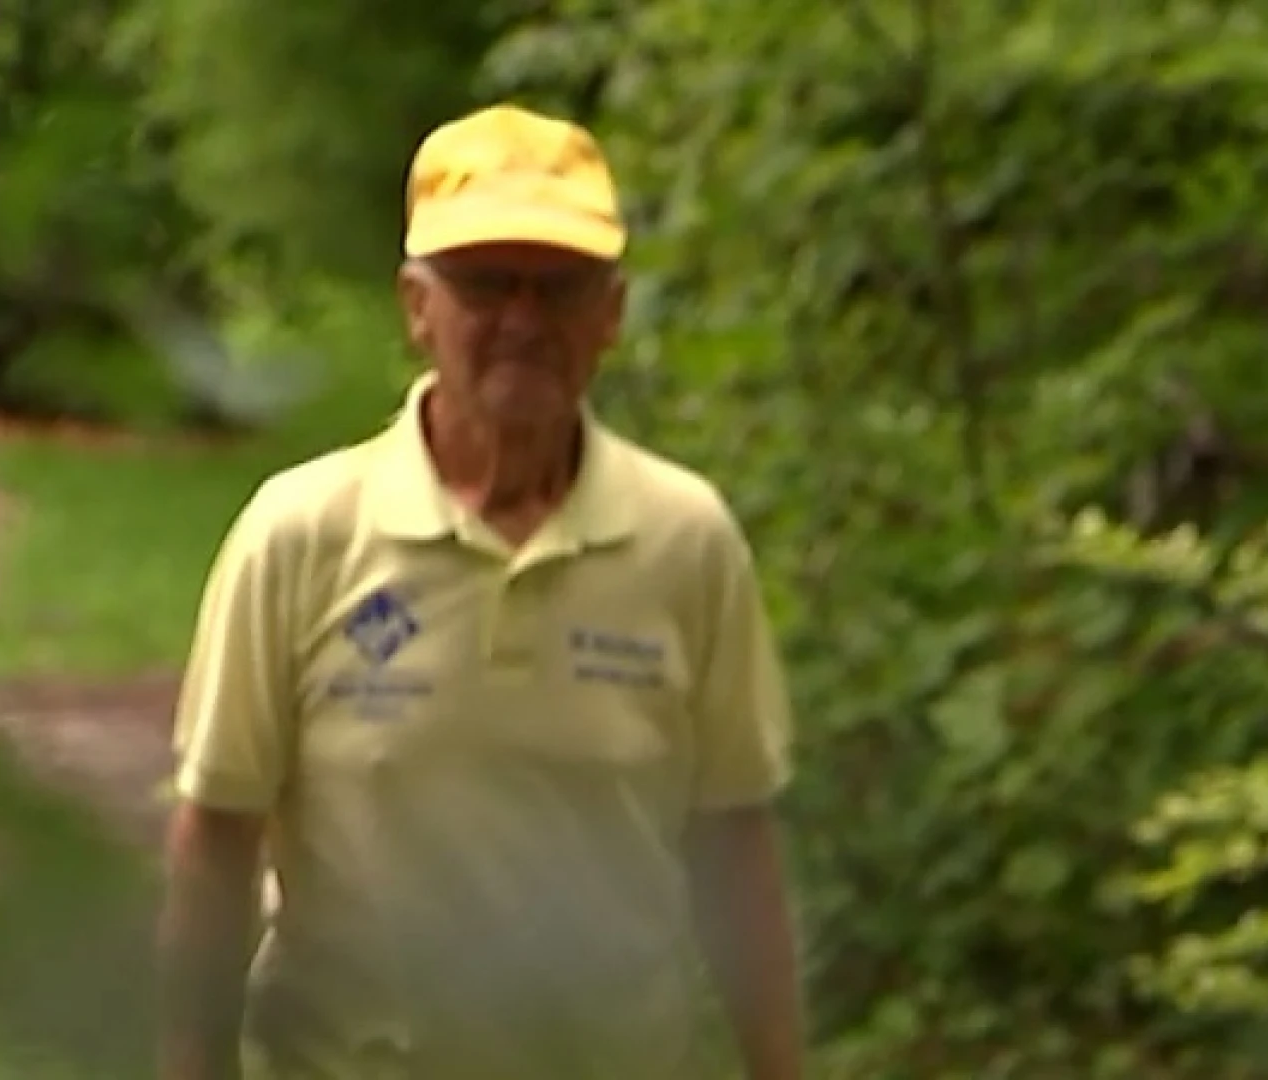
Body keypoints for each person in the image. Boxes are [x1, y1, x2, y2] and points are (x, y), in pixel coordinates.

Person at [157, 103, 803, 1080]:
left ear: (614, 313)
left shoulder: (686, 541)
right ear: (418, 306)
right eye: (486, 285)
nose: (523, 322)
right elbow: (215, 841)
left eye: (561, 288)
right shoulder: (302, 537)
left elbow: (736, 847)